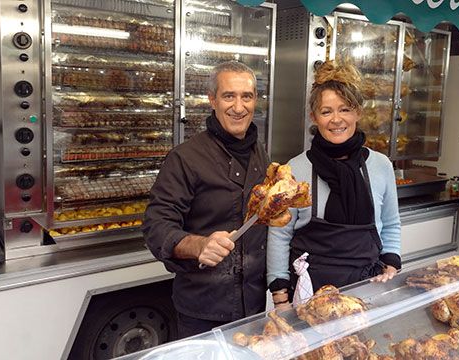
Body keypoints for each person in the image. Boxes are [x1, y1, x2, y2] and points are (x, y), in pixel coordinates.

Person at [143, 61, 270, 338]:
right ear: (212, 100)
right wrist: (198, 244)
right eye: (229, 96)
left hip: (254, 302)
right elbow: (156, 225)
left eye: (246, 96)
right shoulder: (185, 158)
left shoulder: (261, 154)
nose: (239, 107)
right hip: (204, 308)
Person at [266, 61, 401, 308]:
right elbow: (279, 235)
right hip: (310, 293)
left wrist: (391, 264)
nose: (336, 120)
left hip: (368, 287)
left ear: (358, 112)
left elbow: (391, 223)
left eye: (345, 109)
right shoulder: (295, 169)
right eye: (326, 111)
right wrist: (280, 297)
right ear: (314, 117)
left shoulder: (381, 166)